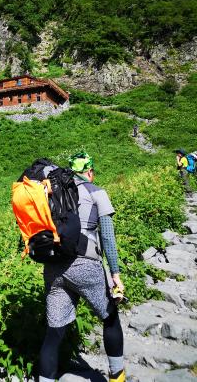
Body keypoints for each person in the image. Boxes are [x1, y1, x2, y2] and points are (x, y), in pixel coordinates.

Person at [39, 152, 125, 382]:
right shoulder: (96, 191)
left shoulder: (52, 191)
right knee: (110, 318)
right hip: (85, 264)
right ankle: (118, 376)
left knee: (54, 330)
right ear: (89, 171)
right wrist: (115, 274)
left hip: (54, 266)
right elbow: (107, 236)